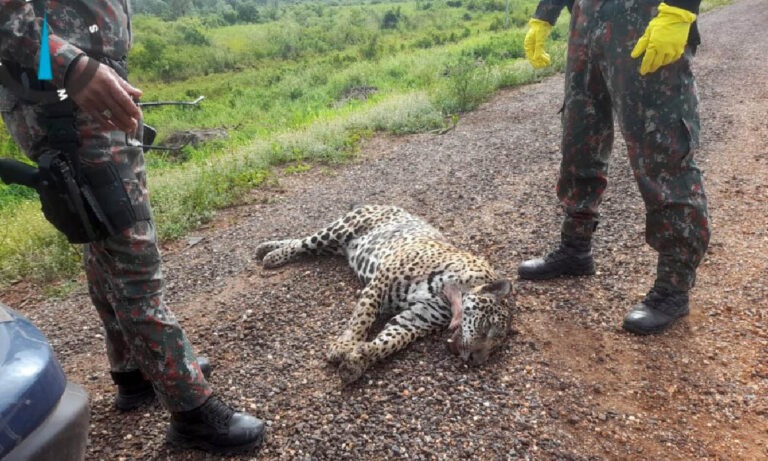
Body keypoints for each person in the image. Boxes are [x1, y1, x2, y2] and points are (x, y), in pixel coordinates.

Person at [0, 1, 266, 454]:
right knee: (132, 256)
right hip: (64, 98)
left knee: (105, 240)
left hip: (80, 93)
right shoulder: (66, 72)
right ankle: (193, 412)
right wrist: (71, 64)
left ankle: (135, 370)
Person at [519, 0, 710, 334]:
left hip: (647, 18)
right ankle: (575, 248)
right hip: (587, 18)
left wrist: (680, 10)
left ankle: (673, 285)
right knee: (580, 137)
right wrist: (544, 14)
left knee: (662, 149)